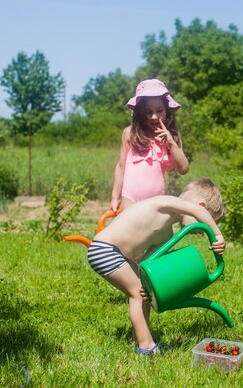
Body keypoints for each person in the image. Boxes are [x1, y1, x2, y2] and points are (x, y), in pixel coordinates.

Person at [88, 178, 226, 355]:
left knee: (142, 292)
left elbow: (146, 263)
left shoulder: (167, 234)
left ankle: (140, 338)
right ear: (201, 206)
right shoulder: (166, 202)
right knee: (136, 293)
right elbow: (196, 210)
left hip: (114, 254)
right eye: (202, 224)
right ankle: (146, 347)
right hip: (105, 250)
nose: (200, 231)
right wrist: (217, 234)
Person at [109, 79, 189, 212]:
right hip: (130, 198)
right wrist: (114, 197)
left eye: (159, 110)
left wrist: (171, 144)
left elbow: (183, 169)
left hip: (157, 201)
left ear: (167, 111)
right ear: (140, 113)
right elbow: (121, 166)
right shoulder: (130, 133)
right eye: (148, 112)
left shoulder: (172, 136)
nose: (154, 116)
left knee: (158, 232)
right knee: (132, 231)